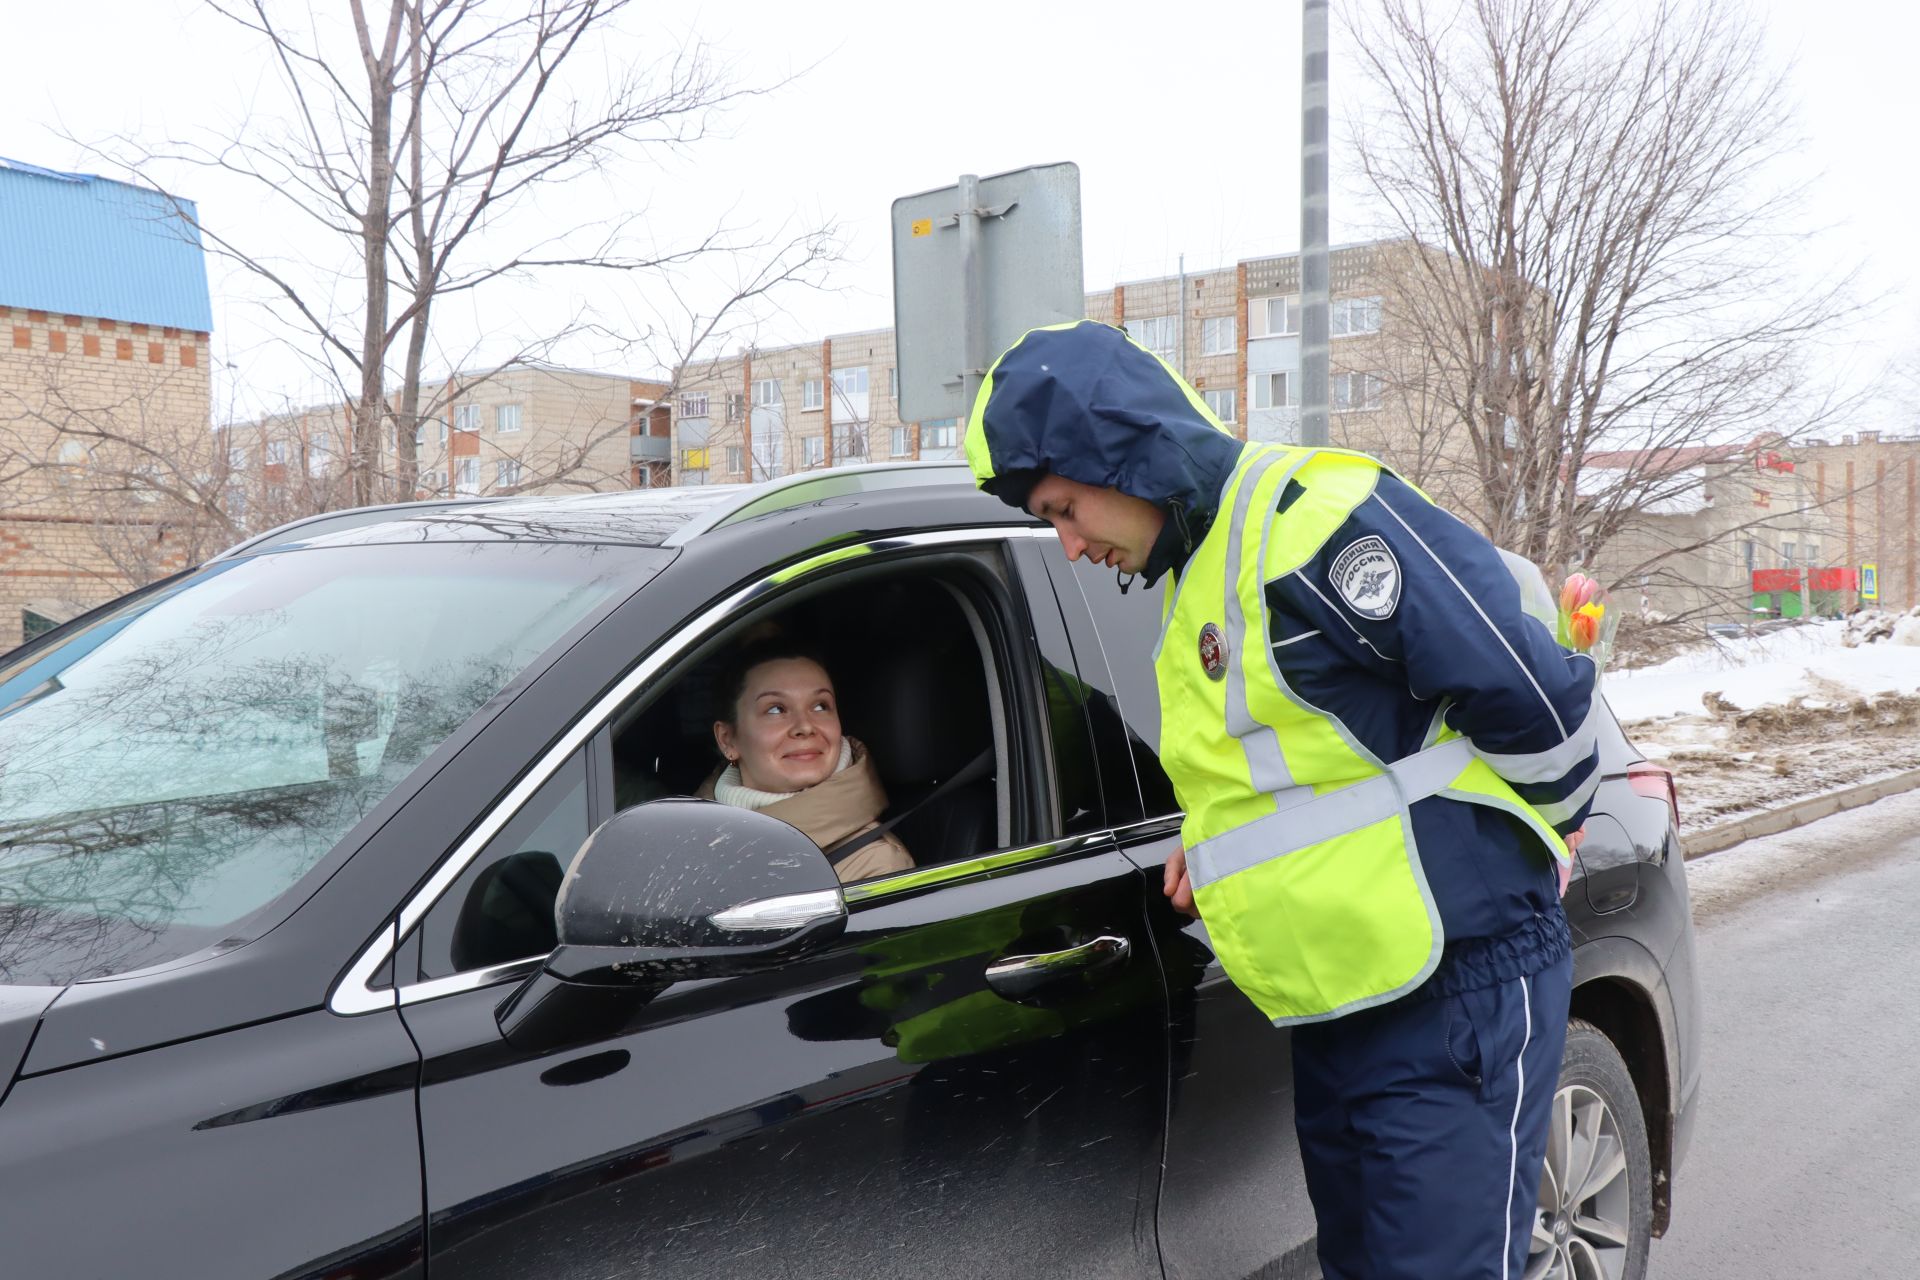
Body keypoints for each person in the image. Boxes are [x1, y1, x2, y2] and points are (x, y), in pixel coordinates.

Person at [963, 319, 1597, 1280]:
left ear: (1116, 450)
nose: (1068, 542)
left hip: (1458, 988)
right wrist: (1211, 846)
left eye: (1064, 507)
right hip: (1347, 1003)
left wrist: (1552, 826)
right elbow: (1298, 762)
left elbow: (1527, 685)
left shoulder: (1313, 517)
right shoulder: (1200, 568)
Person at [699, 639, 914, 884]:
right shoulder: (691, 832)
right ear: (727, 740)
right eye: (776, 710)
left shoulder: (876, 863)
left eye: (821, 706)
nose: (805, 726)